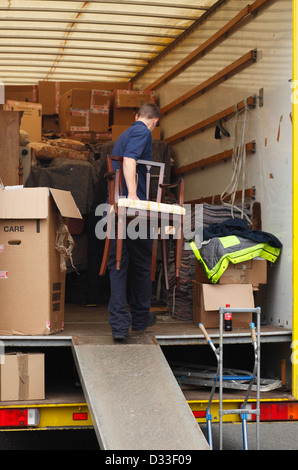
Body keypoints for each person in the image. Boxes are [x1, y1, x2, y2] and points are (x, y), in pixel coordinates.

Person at [107, 102, 160, 341]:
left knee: (118, 263)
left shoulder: (124, 134)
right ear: (155, 122)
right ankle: (139, 320)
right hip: (132, 209)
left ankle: (119, 325)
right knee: (140, 263)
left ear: (136, 115)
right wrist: (131, 196)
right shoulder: (142, 131)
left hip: (113, 208)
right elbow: (130, 160)